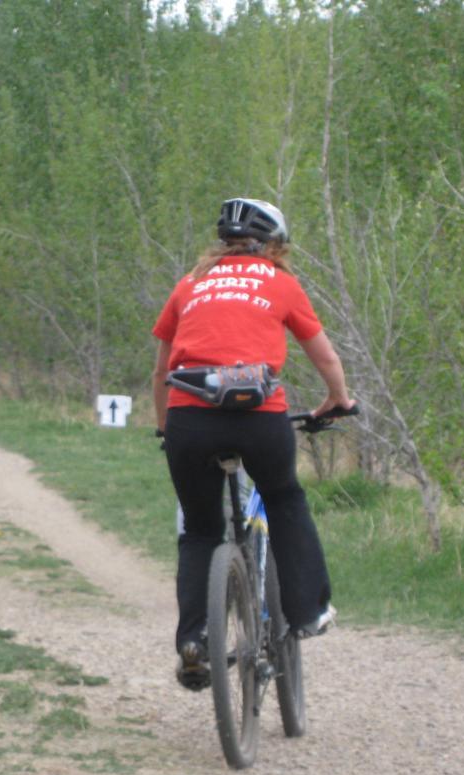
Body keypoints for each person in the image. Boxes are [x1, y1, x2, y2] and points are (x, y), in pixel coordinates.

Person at [151, 197, 355, 690]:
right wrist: (338, 401)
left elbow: (161, 371)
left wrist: (165, 428)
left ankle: (195, 640)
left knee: (200, 532)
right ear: (274, 246)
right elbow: (324, 357)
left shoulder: (189, 285)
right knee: (284, 498)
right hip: (258, 418)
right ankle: (308, 611)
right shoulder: (280, 284)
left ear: (222, 243)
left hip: (189, 418)